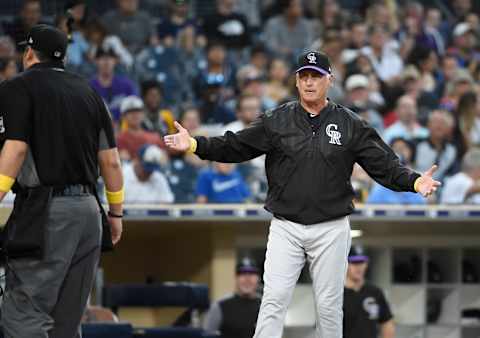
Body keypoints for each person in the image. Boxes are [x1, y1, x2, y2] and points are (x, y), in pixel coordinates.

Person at [165, 50, 440, 338]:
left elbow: (383, 164)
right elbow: (235, 146)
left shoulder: (350, 124)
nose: (309, 82)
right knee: (273, 300)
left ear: (329, 80)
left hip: (331, 226)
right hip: (287, 225)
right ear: (296, 81)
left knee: (329, 307)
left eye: (316, 76)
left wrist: (414, 182)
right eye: (304, 76)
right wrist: (195, 144)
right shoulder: (277, 120)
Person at [0, 24, 124, 337]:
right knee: (65, 324)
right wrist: (116, 213)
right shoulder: (89, 92)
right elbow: (111, 160)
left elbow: (15, 150)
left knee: (24, 316)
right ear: (64, 57)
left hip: (47, 213)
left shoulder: (17, 88)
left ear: (29, 53)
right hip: (89, 214)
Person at [343, 245, 395, 338]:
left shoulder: (375, 292)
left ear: (366, 264)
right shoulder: (337, 295)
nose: (358, 267)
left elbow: (387, 322)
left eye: (361, 262)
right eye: (354, 262)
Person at [204, 257, 261, 338]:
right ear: (236, 278)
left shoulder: (265, 306)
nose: (247, 279)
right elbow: (207, 334)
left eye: (251, 273)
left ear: (258, 278)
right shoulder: (220, 306)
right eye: (242, 273)